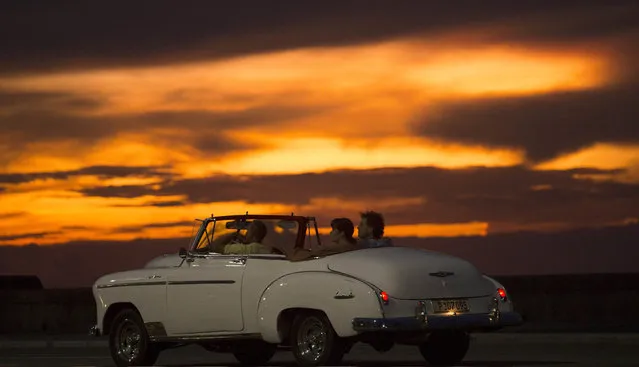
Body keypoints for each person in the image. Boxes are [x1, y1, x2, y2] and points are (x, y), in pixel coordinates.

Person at [289, 218, 358, 261]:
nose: (330, 232)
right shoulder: (354, 246)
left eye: (333, 230)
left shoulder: (334, 248)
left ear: (342, 233)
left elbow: (295, 257)